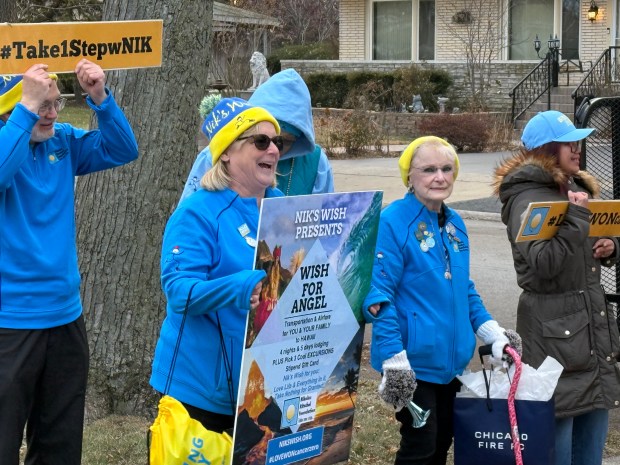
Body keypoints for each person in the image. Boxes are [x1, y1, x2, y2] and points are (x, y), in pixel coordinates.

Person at [0, 59, 138, 464]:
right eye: (42, 104)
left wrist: (99, 97)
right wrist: (26, 111)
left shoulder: (63, 140)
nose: (52, 113)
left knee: (59, 446)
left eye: (56, 103)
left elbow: (122, 149)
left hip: (65, 319)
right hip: (10, 323)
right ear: (14, 107)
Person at [363, 136, 520, 465]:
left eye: (447, 169)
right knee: (421, 443)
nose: (440, 177)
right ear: (409, 175)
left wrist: (490, 331)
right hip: (412, 365)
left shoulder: (455, 223)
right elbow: (380, 296)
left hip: (452, 365)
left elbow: (464, 286)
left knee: (444, 439)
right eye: (429, 169)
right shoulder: (393, 222)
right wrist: (394, 362)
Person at [493, 110, 620, 465]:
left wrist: (609, 246)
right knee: (558, 442)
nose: (577, 149)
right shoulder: (527, 198)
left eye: (578, 140)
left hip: (590, 331)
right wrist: (577, 217)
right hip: (554, 337)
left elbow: (585, 245)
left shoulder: (575, 188)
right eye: (568, 142)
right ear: (547, 148)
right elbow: (543, 264)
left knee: (592, 436)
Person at [150, 97, 283, 432]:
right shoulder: (198, 212)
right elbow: (179, 293)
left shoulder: (285, 208)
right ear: (226, 152)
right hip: (200, 390)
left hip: (263, 385)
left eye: (277, 142)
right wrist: (238, 287)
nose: (273, 150)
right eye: (260, 141)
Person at [181, 68, 334, 201]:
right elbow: (189, 222)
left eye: (283, 142)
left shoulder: (316, 162)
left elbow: (328, 224)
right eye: (262, 140)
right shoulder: (217, 153)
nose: (274, 149)